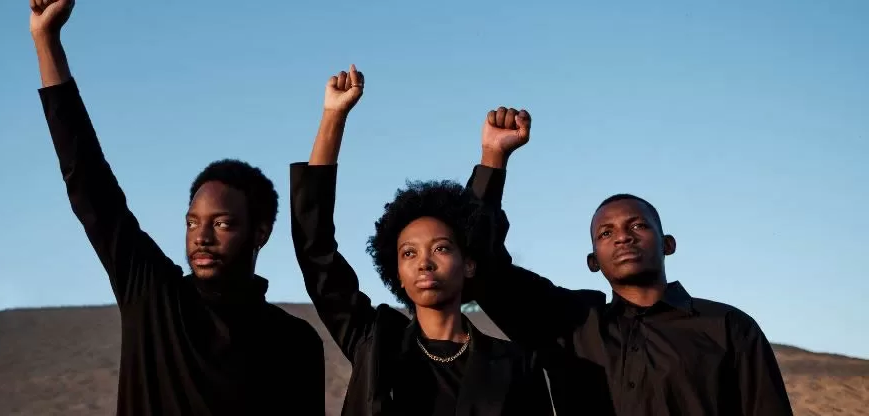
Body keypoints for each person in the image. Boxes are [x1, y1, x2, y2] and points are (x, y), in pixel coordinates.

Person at [29, 1, 325, 414]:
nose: (200, 237)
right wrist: (47, 41)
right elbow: (89, 181)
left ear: (260, 232)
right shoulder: (154, 297)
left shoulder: (294, 343)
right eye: (192, 222)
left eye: (221, 224)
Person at [462, 107, 794, 415]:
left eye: (637, 225)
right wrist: (493, 157)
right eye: (606, 233)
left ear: (668, 244)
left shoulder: (728, 327)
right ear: (593, 261)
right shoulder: (568, 324)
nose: (623, 236)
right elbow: (475, 268)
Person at [290, 65, 557, 416]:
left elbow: (474, 226)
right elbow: (316, 251)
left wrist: (493, 157)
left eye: (441, 248)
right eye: (409, 253)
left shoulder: (515, 364)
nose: (424, 262)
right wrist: (333, 115)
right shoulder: (374, 343)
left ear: (469, 263)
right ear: (397, 272)